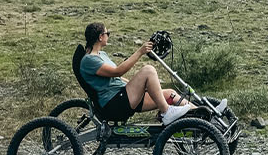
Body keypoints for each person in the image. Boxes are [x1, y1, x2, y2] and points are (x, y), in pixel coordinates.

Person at [79, 22, 221, 124]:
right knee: (148, 70)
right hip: (114, 104)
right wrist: (140, 52)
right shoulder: (89, 60)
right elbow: (117, 72)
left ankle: (207, 117)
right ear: (100, 37)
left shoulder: (101, 54)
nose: (108, 36)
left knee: (169, 94)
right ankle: (166, 112)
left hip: (123, 96)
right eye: (107, 33)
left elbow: (116, 78)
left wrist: (139, 87)